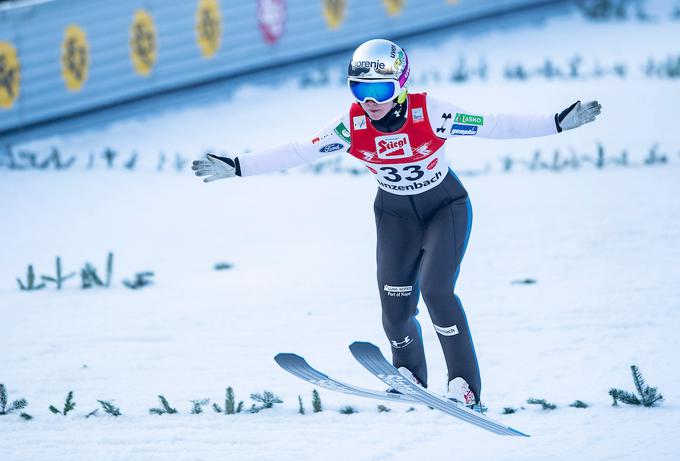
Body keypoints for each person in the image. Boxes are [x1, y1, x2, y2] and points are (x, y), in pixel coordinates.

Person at [192, 39, 602, 409]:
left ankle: (464, 385)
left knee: (437, 291)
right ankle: (407, 373)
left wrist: (556, 122)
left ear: (401, 86)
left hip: (445, 208)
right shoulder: (351, 126)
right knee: (394, 307)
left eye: (380, 91)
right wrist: (238, 166)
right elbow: (300, 150)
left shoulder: (431, 113)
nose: (369, 101)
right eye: (359, 89)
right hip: (394, 216)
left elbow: (493, 125)